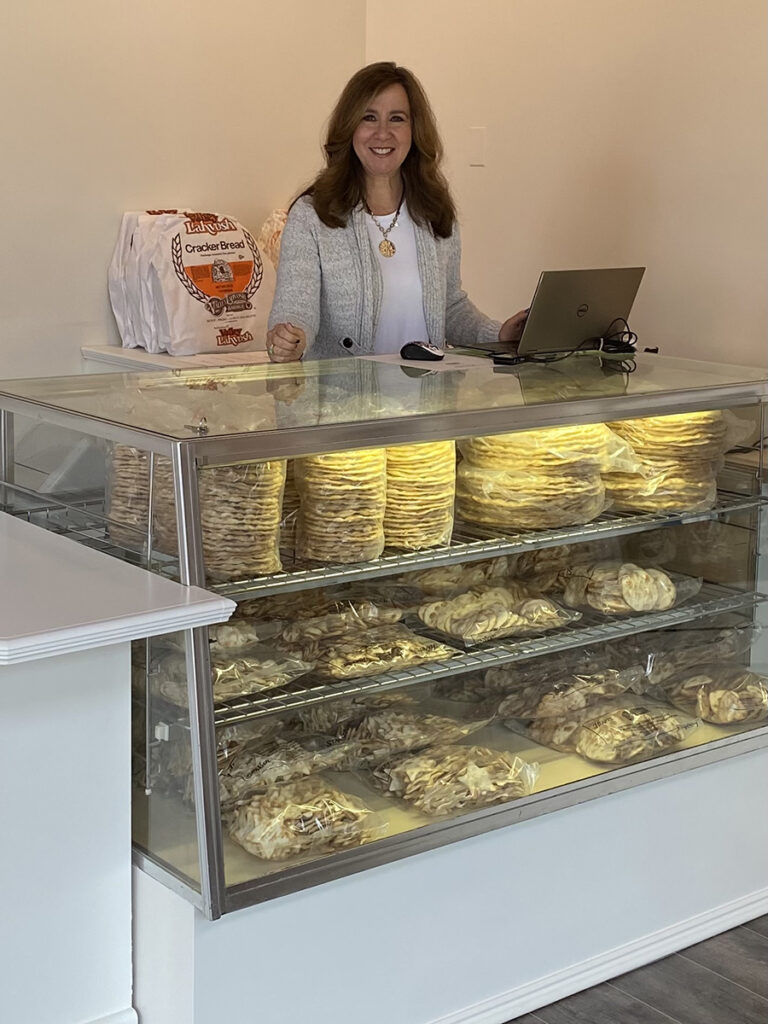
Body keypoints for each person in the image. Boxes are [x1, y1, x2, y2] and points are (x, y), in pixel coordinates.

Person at [266, 61, 528, 363]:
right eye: (369, 118)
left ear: (414, 130)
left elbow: (450, 306)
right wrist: (289, 337)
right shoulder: (312, 215)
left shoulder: (435, 211)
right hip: (344, 407)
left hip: (426, 405)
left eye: (397, 119)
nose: (382, 133)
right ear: (349, 127)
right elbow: (296, 306)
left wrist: (498, 335)